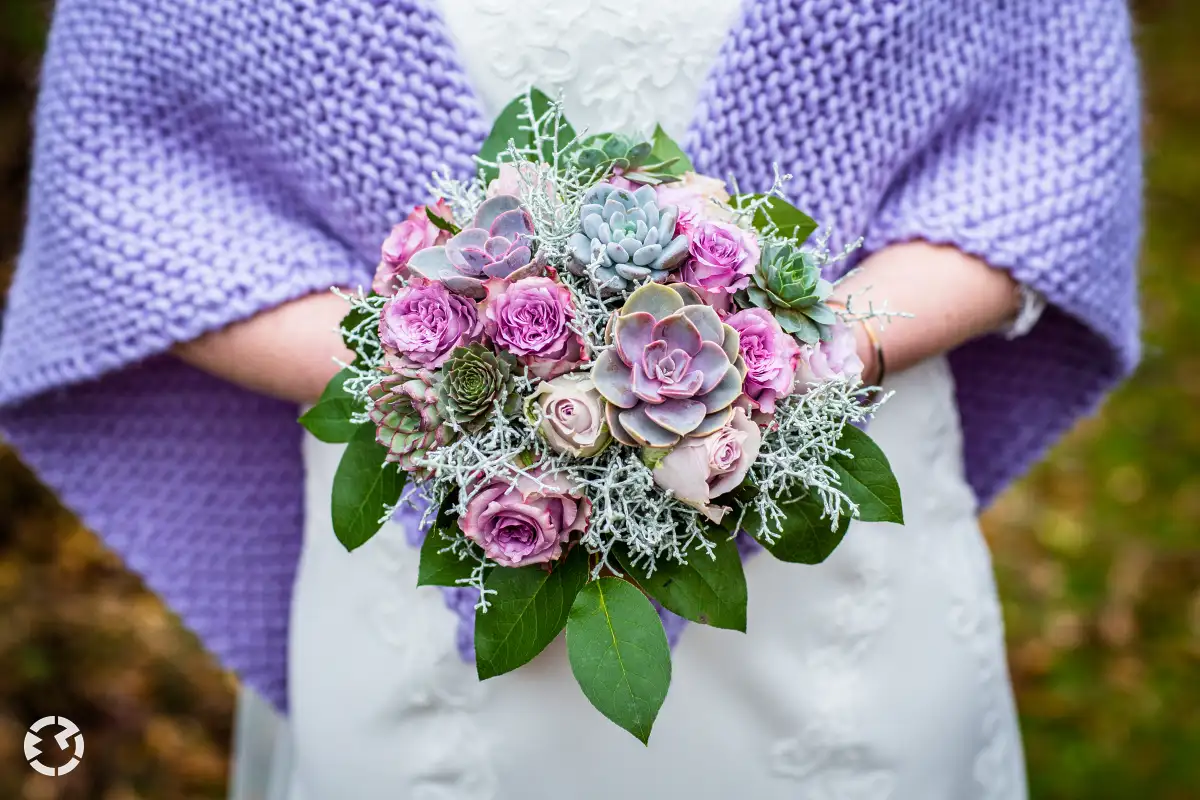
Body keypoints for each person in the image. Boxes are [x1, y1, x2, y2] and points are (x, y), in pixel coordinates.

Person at [0, 1, 1141, 797]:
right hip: (424, 548)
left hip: (832, 565)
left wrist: (795, 362)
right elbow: (127, 196)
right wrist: (452, 386)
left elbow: (1048, 144)